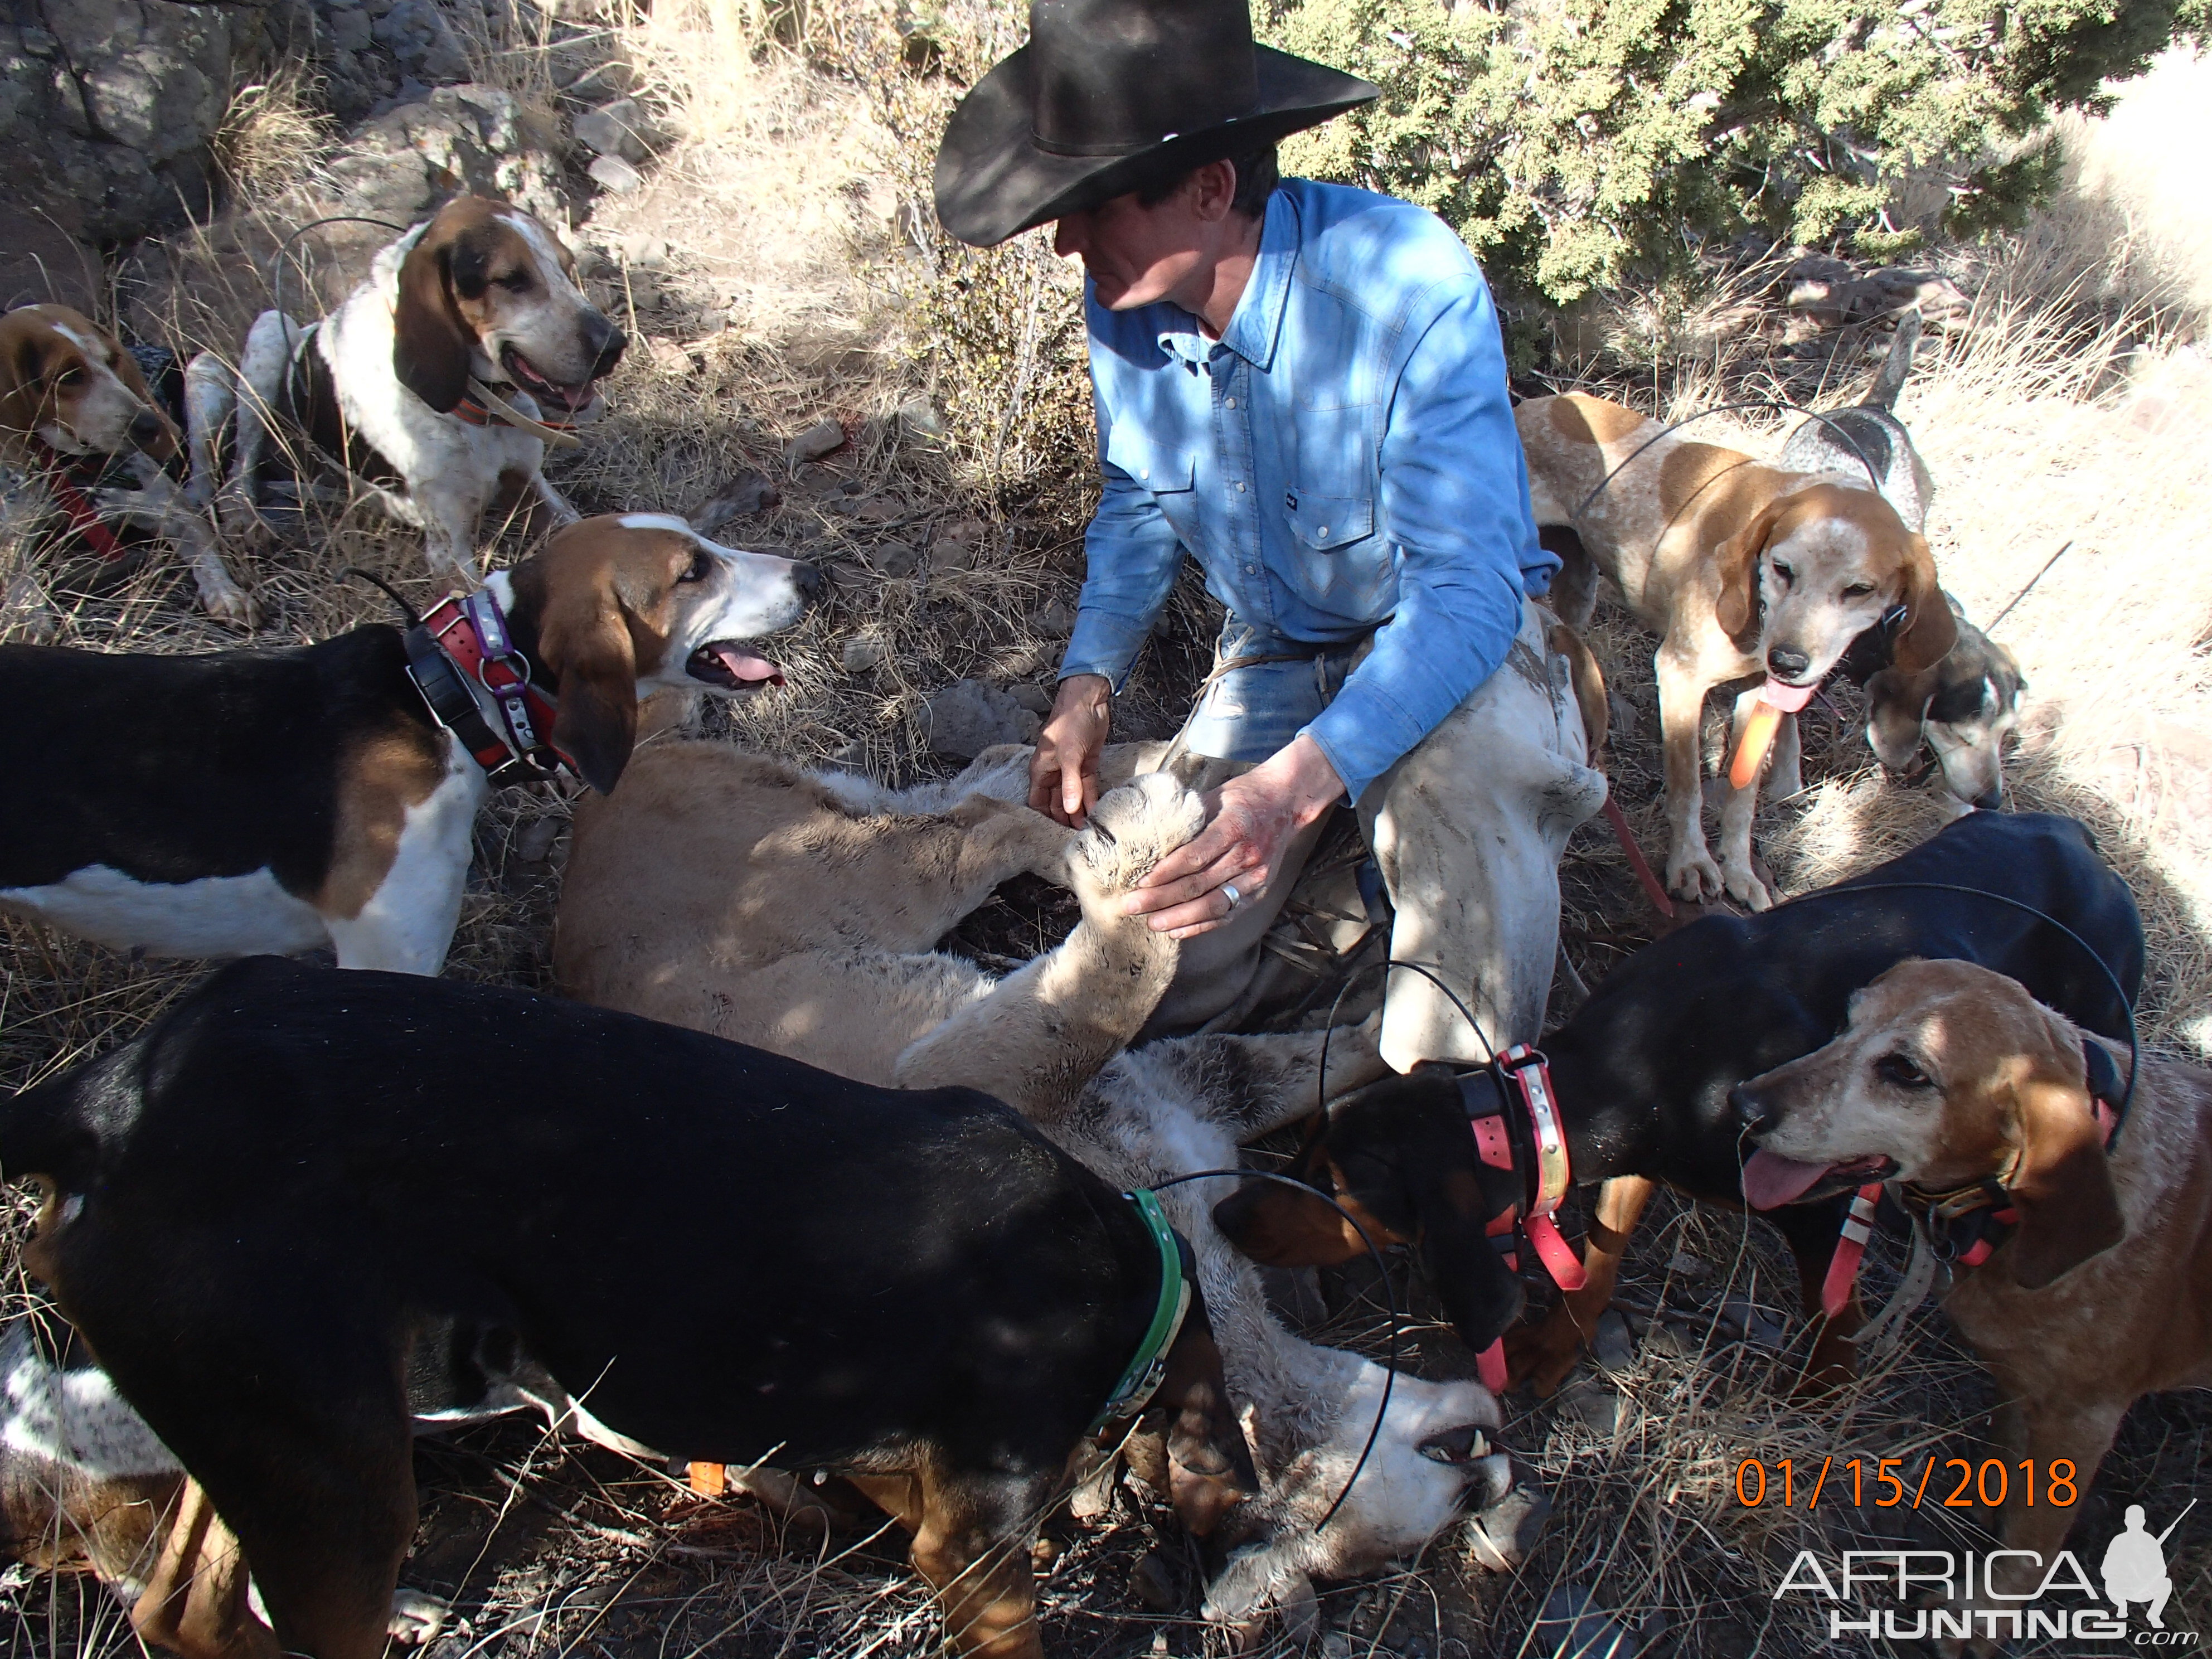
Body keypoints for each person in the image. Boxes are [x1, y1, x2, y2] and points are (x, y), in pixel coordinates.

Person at [934, 0, 1604, 1064]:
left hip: (1444, 637)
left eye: (1093, 204)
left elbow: (1469, 594)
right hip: (1282, 648)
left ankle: (1462, 1121)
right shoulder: (1127, 302)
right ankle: (1334, 938)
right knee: (1160, 951)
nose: (1064, 239)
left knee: (1458, 814)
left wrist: (1290, 790)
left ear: (1211, 186)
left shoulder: (1406, 283)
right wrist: (1086, 683)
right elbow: (1140, 498)